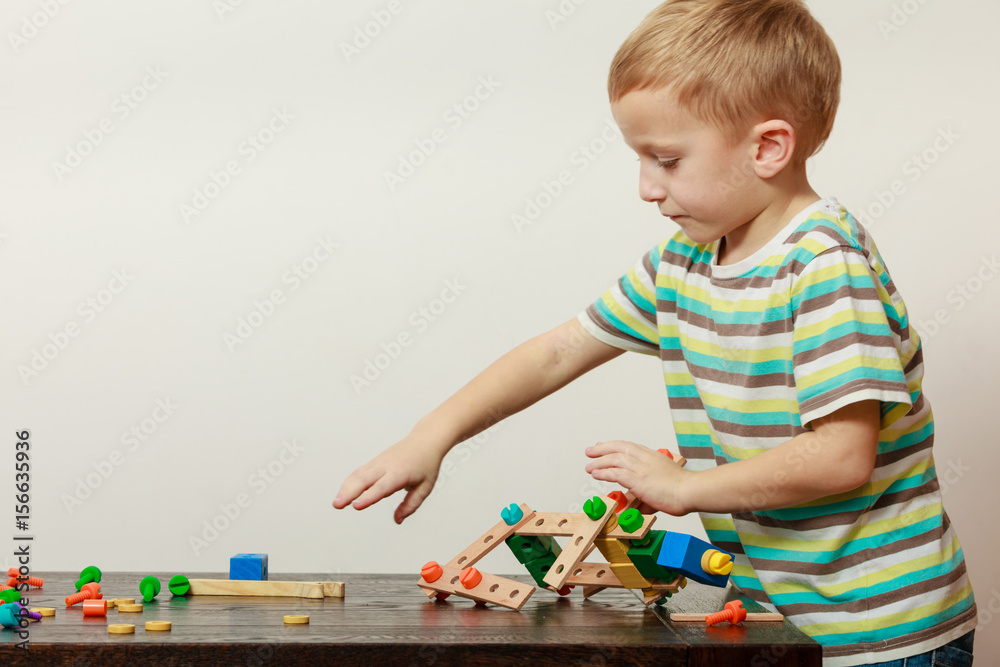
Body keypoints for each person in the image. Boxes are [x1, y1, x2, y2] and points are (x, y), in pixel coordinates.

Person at [334, 1, 976, 664]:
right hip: (774, 620)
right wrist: (432, 435)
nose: (645, 187)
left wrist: (685, 488)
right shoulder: (685, 260)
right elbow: (559, 350)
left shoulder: (822, 266)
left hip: (881, 634)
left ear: (768, 147)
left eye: (666, 160)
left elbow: (841, 456)